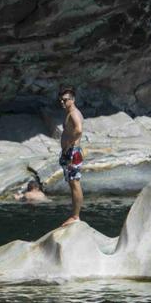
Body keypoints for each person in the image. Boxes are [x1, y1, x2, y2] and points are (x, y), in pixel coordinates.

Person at [58, 87, 84, 226]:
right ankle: (75, 215)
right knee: (73, 183)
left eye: (65, 99)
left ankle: (75, 216)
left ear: (72, 99)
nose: (62, 102)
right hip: (71, 152)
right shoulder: (70, 112)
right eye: (61, 100)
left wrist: (68, 144)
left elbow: (79, 130)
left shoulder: (74, 113)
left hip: (73, 152)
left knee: (75, 183)